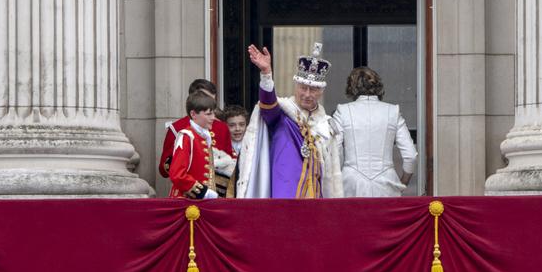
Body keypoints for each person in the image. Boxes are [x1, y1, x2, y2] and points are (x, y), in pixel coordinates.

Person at [237, 42, 343, 199]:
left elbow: (332, 175)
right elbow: (268, 106)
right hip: (284, 197)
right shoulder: (283, 114)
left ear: (321, 91)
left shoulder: (326, 126)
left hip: (316, 199)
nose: (307, 94)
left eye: (313, 89)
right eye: (303, 87)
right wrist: (266, 73)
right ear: (296, 87)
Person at [332, 67, 417, 197]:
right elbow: (411, 156)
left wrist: (339, 178)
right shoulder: (393, 111)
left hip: (351, 183)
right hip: (387, 183)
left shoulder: (342, 111)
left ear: (351, 87)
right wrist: (403, 182)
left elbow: (336, 152)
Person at [158, 79, 236, 191]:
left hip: (218, 191)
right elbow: (164, 169)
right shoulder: (177, 128)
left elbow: (230, 163)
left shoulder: (222, 127)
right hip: (189, 191)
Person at [168, 92, 222, 199]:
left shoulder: (204, 136)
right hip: (185, 201)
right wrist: (203, 192)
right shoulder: (186, 136)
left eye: (213, 114)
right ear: (193, 114)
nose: (213, 118)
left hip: (200, 203)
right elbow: (177, 174)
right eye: (208, 114)